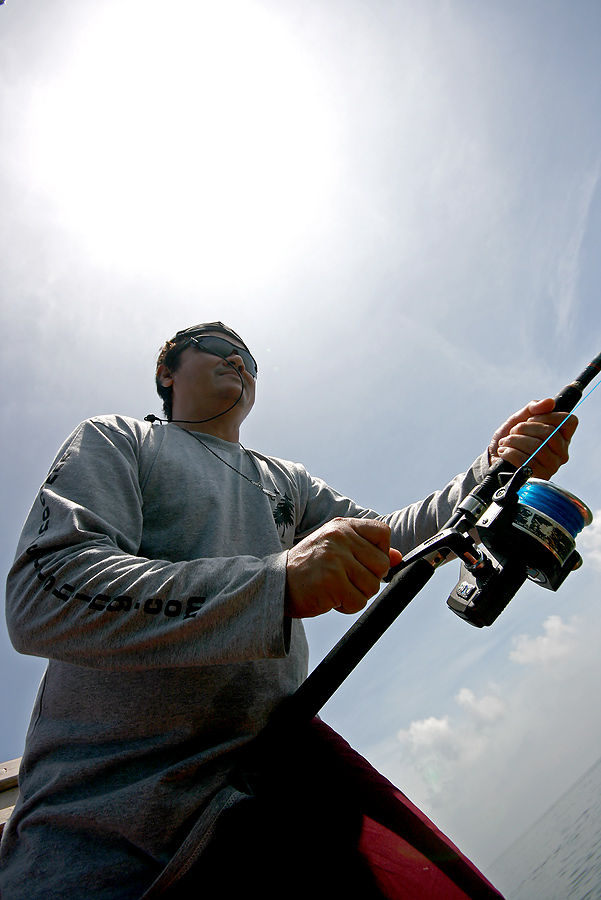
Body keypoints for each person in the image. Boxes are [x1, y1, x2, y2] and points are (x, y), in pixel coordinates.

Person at [0, 322, 577, 899]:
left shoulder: (287, 482)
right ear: (166, 372)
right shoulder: (117, 439)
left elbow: (391, 542)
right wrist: (275, 583)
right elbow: (43, 592)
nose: (239, 362)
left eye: (249, 358)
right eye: (218, 348)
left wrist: (492, 469)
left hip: (275, 785)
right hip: (104, 850)